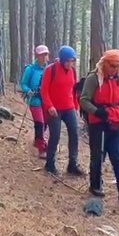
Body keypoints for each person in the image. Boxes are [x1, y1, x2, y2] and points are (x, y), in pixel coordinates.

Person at [79, 49, 119, 203]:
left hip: (116, 120)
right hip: (98, 123)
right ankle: (95, 185)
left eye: (118, 65)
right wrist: (97, 111)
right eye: (112, 65)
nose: (115, 68)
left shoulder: (118, 76)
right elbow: (83, 100)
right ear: (105, 63)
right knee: (98, 155)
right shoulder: (93, 78)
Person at [41, 46, 84, 177]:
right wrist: (49, 106)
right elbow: (44, 90)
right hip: (53, 109)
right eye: (67, 61)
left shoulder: (73, 71)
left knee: (74, 133)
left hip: (69, 107)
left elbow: (74, 90)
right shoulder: (50, 70)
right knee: (55, 135)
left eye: (72, 61)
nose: (70, 64)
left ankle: (72, 164)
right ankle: (50, 164)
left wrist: (76, 106)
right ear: (62, 60)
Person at [20, 46, 50, 158]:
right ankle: (42, 148)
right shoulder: (30, 69)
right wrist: (28, 91)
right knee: (39, 123)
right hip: (35, 99)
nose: (44, 57)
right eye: (42, 55)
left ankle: (38, 139)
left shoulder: (50, 69)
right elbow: (23, 83)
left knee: (45, 122)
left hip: (46, 99)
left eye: (46, 54)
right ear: (37, 56)